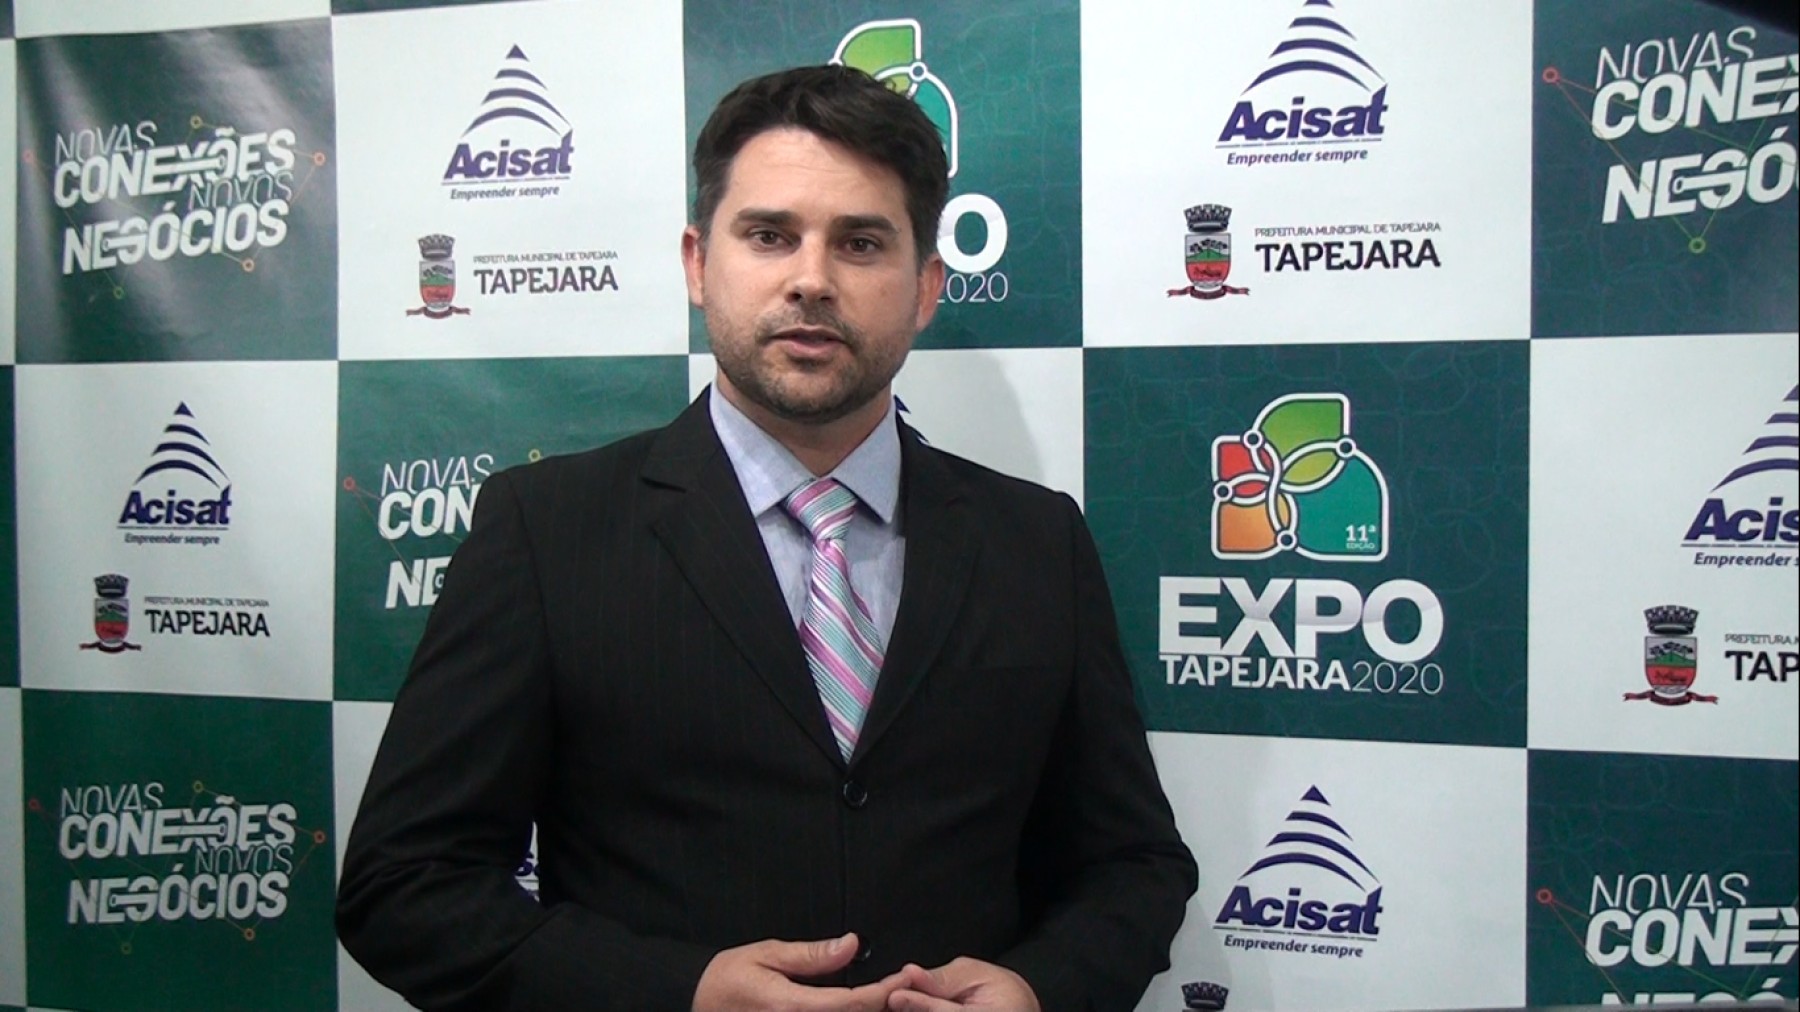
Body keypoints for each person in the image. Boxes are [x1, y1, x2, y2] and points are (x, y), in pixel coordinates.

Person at [336, 64, 1196, 1012]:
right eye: (769, 235)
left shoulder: (1037, 540)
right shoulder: (545, 530)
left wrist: (1039, 991)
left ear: (925, 288)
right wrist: (681, 992)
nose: (811, 280)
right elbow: (402, 886)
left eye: (861, 243)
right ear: (698, 264)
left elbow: (1133, 864)